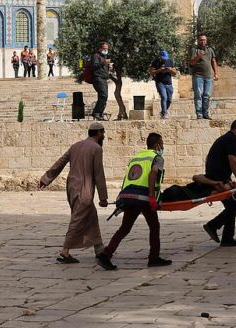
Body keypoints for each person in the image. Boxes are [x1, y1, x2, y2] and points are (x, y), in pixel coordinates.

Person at [96, 132, 172, 270]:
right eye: (162, 144)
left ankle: (105, 255)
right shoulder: (157, 158)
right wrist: (151, 196)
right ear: (157, 145)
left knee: (124, 228)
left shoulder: (137, 157)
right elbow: (153, 173)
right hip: (143, 197)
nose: (163, 146)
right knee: (154, 226)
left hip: (129, 196)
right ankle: (154, 258)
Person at [39, 122, 108, 263]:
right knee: (78, 218)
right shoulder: (96, 148)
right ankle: (65, 251)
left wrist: (46, 178)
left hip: (71, 187)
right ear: (99, 133)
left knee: (91, 216)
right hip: (84, 188)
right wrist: (103, 197)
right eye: (103, 133)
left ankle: (99, 248)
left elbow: (60, 162)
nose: (104, 136)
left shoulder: (75, 146)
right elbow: (99, 174)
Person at [200, 119, 236, 247]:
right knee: (235, 206)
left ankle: (227, 238)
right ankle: (212, 225)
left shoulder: (225, 139)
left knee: (232, 205)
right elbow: (232, 161)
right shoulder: (231, 140)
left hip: (217, 176)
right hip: (219, 179)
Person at [189, 34, 218, 120]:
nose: (203, 41)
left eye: (204, 40)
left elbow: (213, 61)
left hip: (208, 76)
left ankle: (205, 113)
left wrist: (216, 73)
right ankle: (199, 114)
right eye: (201, 40)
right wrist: (199, 56)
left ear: (206, 40)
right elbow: (191, 62)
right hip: (198, 76)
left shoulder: (210, 49)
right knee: (198, 95)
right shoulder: (194, 50)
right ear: (198, 41)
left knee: (207, 95)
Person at [149, 50, 177, 119]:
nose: (164, 59)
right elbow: (151, 72)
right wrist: (160, 70)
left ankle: (163, 111)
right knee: (164, 97)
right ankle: (165, 113)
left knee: (169, 100)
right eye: (163, 58)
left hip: (169, 83)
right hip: (160, 82)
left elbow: (175, 73)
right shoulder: (155, 62)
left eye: (165, 58)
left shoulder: (170, 61)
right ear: (160, 57)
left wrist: (170, 70)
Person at [91, 42, 113, 120]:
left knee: (104, 96)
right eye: (104, 48)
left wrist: (109, 67)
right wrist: (103, 62)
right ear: (100, 48)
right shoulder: (96, 56)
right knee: (103, 95)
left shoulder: (104, 56)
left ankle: (100, 114)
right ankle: (96, 112)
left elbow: (103, 68)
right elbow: (94, 66)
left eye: (107, 49)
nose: (106, 50)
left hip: (104, 79)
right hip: (98, 78)